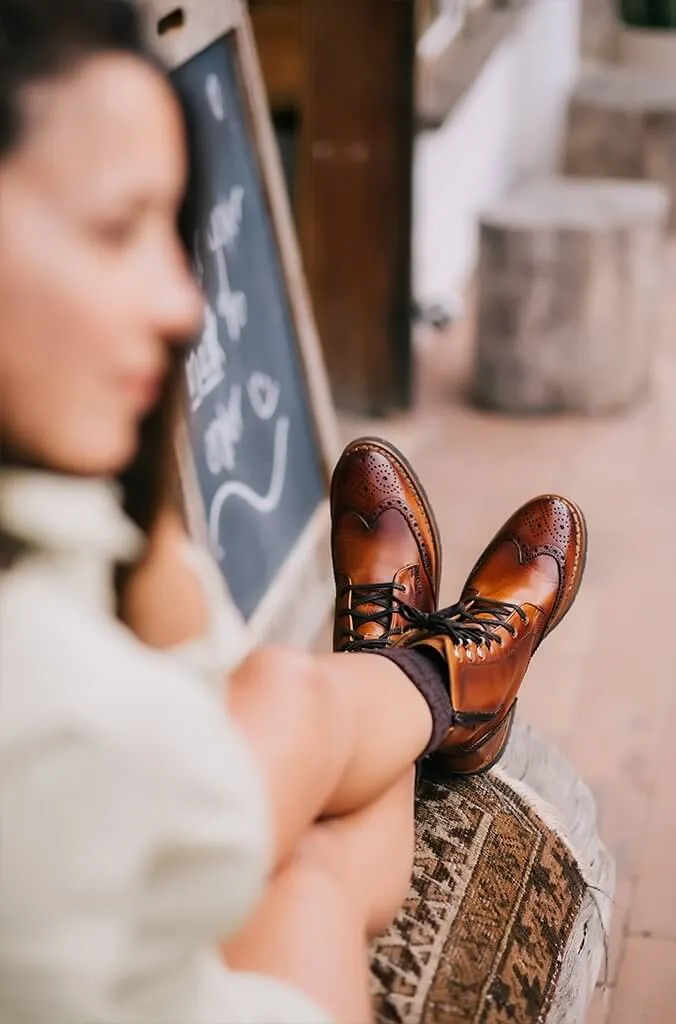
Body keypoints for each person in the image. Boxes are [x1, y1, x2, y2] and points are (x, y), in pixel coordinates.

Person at [0, 1, 588, 1022]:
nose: (185, 305)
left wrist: (134, 529)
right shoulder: (55, 718)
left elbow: (191, 678)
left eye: (168, 232)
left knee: (278, 684)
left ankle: (424, 673)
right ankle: (441, 680)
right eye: (112, 229)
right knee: (309, 862)